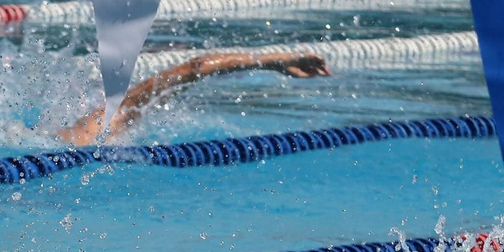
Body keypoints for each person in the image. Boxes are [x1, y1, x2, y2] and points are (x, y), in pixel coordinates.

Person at [58, 50, 330, 145]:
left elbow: (192, 71)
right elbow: (195, 68)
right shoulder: (103, 126)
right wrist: (275, 62)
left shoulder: (93, 130)